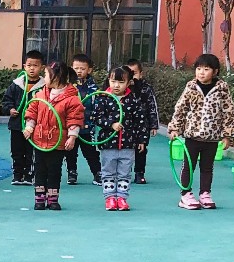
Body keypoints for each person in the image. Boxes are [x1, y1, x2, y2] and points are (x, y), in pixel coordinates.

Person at [168, 53, 234, 211]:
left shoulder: (222, 89)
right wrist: (175, 128)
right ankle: (185, 194)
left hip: (212, 137)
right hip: (192, 136)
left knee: (207, 167)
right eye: (199, 69)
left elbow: (229, 112)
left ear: (215, 71)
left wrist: (227, 135)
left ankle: (205, 193)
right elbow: (181, 108)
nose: (201, 72)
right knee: (189, 166)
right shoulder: (191, 87)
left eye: (206, 69)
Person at [85, 66, 155, 212]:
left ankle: (122, 198)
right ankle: (110, 198)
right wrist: (111, 124)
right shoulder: (103, 98)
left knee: (124, 173)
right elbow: (96, 117)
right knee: (108, 172)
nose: (116, 85)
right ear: (109, 81)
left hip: (128, 144)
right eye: (113, 81)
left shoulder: (133, 100)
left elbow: (140, 121)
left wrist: (142, 140)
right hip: (108, 144)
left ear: (129, 83)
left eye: (121, 82)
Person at [25, 62, 84, 212]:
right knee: (39, 169)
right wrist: (29, 127)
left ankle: (52, 198)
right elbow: (32, 112)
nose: (43, 77)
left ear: (56, 77)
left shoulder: (72, 99)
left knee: (54, 170)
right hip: (39, 140)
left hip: (57, 142)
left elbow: (74, 119)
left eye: (46, 74)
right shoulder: (40, 94)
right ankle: (39, 198)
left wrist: (72, 137)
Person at [2, 49, 46, 186]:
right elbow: (6, 100)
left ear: (42, 67)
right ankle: (17, 174)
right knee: (17, 151)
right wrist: (10, 109)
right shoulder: (17, 84)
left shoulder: (44, 86)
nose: (32, 68)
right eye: (29, 65)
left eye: (35, 65)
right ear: (24, 66)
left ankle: (29, 175)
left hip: (35, 126)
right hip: (17, 125)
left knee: (31, 151)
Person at [65, 52, 102, 186]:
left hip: (87, 126)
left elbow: (98, 103)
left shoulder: (93, 87)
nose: (79, 71)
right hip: (71, 126)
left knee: (91, 152)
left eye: (82, 68)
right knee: (70, 151)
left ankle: (97, 173)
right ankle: (72, 172)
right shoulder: (68, 86)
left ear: (89, 70)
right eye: (76, 68)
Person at [125, 59, 160, 184]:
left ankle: (139, 172)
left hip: (142, 125)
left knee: (141, 148)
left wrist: (154, 125)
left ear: (141, 74)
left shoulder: (146, 89)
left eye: (134, 73)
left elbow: (152, 106)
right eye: (128, 73)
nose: (131, 77)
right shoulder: (122, 88)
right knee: (125, 149)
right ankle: (124, 172)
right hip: (126, 125)